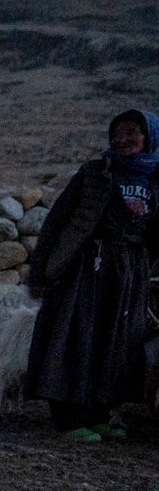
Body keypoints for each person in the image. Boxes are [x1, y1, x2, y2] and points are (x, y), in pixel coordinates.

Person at [24, 108, 159, 441]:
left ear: (150, 138)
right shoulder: (95, 173)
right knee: (77, 336)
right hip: (87, 268)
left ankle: (100, 413)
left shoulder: (155, 179)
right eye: (117, 133)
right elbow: (57, 221)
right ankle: (69, 418)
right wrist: (40, 272)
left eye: (132, 132)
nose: (122, 139)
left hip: (130, 273)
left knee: (118, 341)